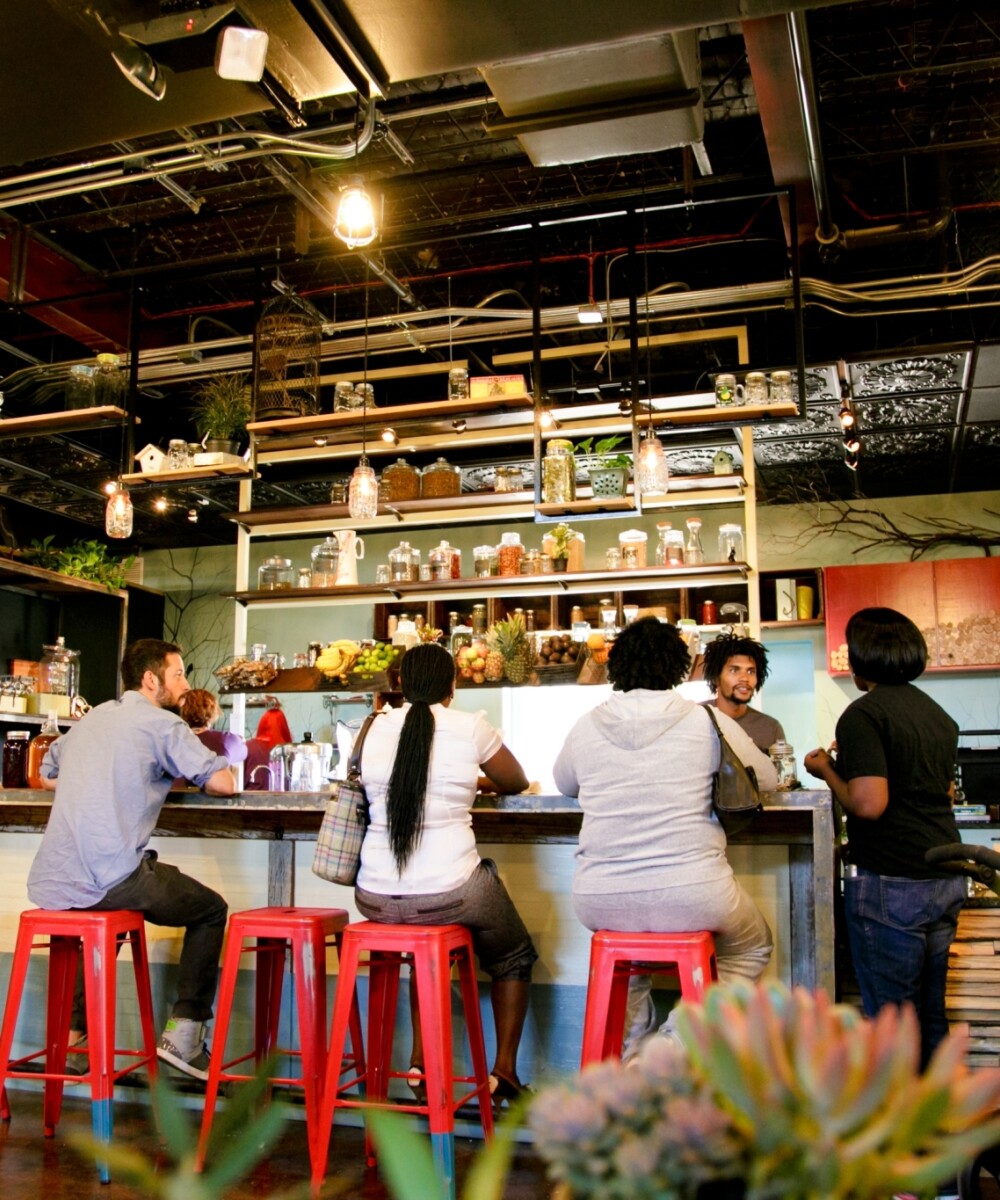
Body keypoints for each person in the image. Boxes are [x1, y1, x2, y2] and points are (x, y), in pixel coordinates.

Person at [553, 617, 779, 1060]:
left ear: (617, 666)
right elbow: (767, 778)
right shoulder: (707, 720)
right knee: (753, 946)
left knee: (628, 962)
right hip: (695, 892)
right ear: (680, 666)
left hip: (600, 897)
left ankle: (633, 1055)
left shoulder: (586, 725)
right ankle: (675, 1045)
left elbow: (564, 784)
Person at [27, 638, 235, 1081]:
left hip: (55, 879)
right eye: (178, 674)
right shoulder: (163, 725)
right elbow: (223, 783)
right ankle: (185, 1035)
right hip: (109, 876)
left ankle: (78, 1040)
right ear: (151, 679)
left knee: (100, 915)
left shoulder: (93, 718)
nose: (185, 685)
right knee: (210, 909)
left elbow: (45, 775)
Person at [353, 642, 538, 1104]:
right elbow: (516, 781)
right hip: (452, 891)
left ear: (400, 683)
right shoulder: (470, 726)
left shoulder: (374, 727)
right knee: (513, 954)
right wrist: (474, 779)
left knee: (426, 953)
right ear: (452, 686)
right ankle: (504, 1072)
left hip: (373, 894)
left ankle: (419, 1064)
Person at [804, 606, 965, 1068]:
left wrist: (825, 769)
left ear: (863, 660)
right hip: (943, 874)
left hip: (892, 881)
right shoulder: (938, 716)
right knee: (930, 1015)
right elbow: (945, 793)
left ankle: (896, 1112)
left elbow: (869, 804)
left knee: (892, 1024)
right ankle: (939, 1108)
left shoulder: (863, 715)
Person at [702, 629, 785, 753]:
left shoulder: (770, 728)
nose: (745, 678)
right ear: (715, 678)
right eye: (734, 670)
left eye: (751, 671)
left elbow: (782, 765)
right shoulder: (696, 718)